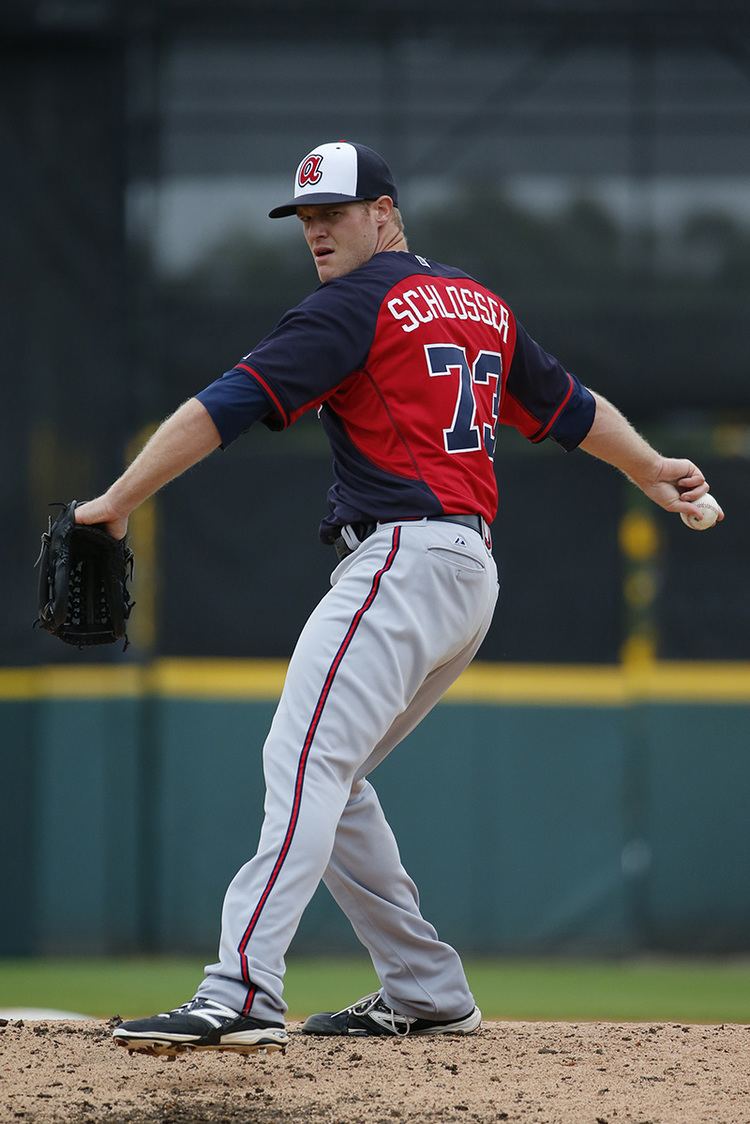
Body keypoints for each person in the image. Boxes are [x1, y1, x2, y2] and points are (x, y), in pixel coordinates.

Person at [75, 141, 722, 1055]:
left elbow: (225, 404)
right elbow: (569, 407)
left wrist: (115, 503)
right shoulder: (477, 301)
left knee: (299, 757)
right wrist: (652, 466)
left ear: (385, 213)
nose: (317, 234)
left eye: (333, 215)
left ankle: (242, 988)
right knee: (331, 782)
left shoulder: (354, 302)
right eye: (305, 220)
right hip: (466, 577)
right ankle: (425, 988)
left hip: (402, 561)